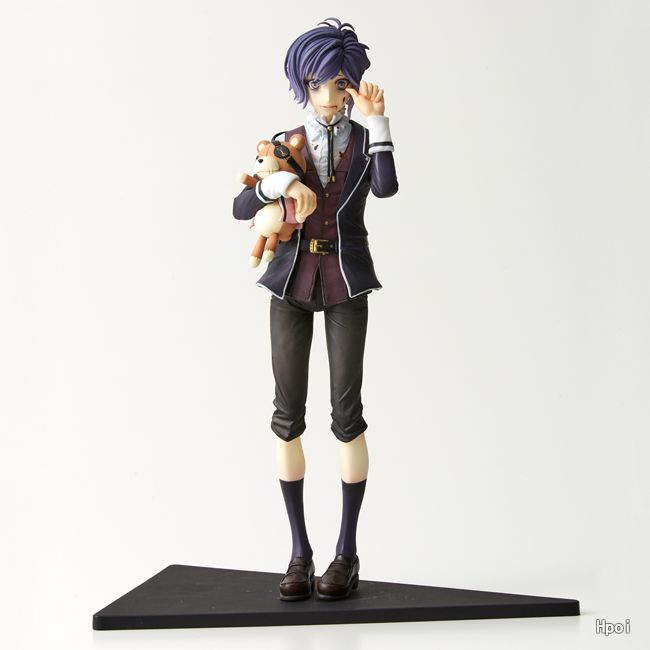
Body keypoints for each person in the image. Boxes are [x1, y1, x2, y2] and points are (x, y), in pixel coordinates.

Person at [232, 17, 398, 601]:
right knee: (287, 416)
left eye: (338, 83)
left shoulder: (364, 141)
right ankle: (299, 551)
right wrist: (280, 186)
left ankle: (346, 552)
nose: (328, 94)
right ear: (302, 83)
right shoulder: (284, 143)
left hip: (347, 281)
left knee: (347, 416)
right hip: (290, 284)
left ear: (352, 84)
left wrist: (379, 123)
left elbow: (386, 188)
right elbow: (240, 205)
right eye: (317, 83)